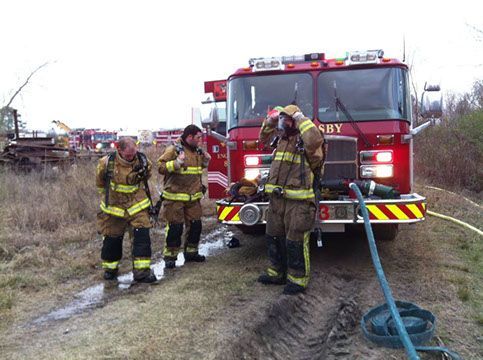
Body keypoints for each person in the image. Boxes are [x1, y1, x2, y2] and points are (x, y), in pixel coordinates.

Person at [257, 105, 325, 295]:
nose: (283, 122)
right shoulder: (281, 139)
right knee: (273, 235)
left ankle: (298, 280)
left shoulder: (307, 139)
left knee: (295, 239)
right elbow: (262, 139)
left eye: (287, 119)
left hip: (299, 201)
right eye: (282, 119)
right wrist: (269, 122)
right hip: (277, 199)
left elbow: (315, 141)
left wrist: (300, 118)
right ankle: (275, 273)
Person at [96, 137, 157, 283]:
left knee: (142, 237)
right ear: (119, 150)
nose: (131, 158)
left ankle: (142, 273)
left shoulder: (142, 161)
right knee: (112, 239)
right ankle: (110, 270)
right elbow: (100, 183)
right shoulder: (106, 163)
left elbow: (146, 176)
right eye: (128, 155)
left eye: (133, 153)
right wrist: (107, 199)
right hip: (114, 207)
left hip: (137, 205)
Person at [157, 125, 211, 269]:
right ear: (189, 137)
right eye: (198, 138)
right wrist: (176, 163)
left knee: (195, 226)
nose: (200, 140)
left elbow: (196, 170)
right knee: (175, 228)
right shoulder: (174, 150)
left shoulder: (197, 151)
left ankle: (191, 253)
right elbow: (160, 167)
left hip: (193, 198)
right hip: (174, 198)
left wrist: (205, 161)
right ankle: (170, 257)